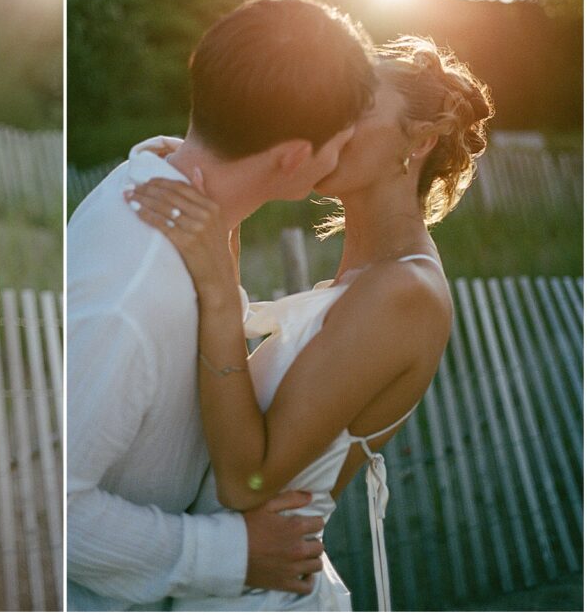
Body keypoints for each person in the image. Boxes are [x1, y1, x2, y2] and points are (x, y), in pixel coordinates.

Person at [126, 36, 493, 610]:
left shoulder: (405, 290)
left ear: (419, 141)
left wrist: (223, 300)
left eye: (357, 106)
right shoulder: (367, 275)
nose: (325, 120)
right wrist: (219, 194)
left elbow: (248, 477)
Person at [67, 0, 376, 611]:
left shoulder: (160, 184)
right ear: (293, 158)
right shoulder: (132, 297)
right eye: (340, 142)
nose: (344, 157)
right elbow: (60, 505)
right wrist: (228, 552)